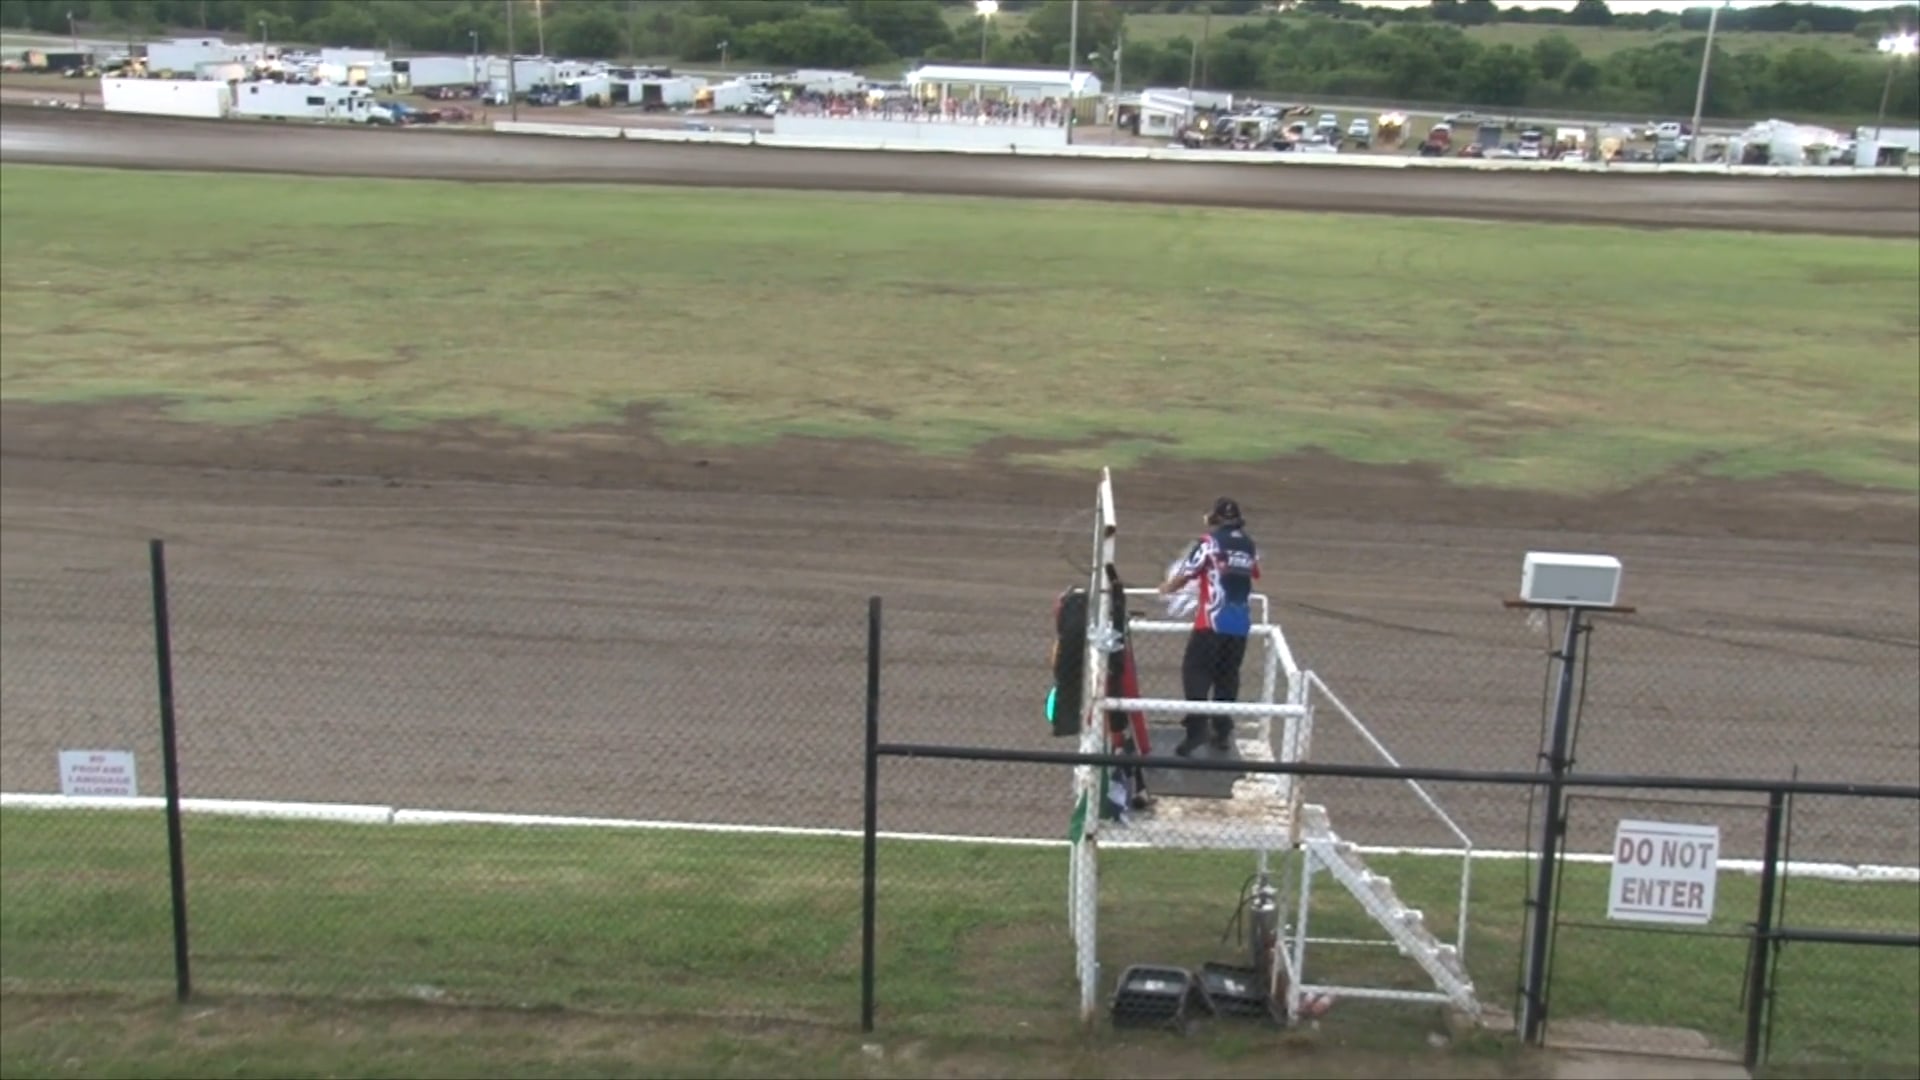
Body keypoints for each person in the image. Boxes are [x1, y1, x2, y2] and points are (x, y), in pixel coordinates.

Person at [1158, 496, 1261, 757]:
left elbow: (1188, 572)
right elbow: (1252, 573)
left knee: (1195, 673)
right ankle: (1223, 731)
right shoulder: (1249, 546)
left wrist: (1167, 588)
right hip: (1239, 626)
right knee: (1227, 677)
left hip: (1211, 623)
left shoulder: (1209, 543)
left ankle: (1196, 729)